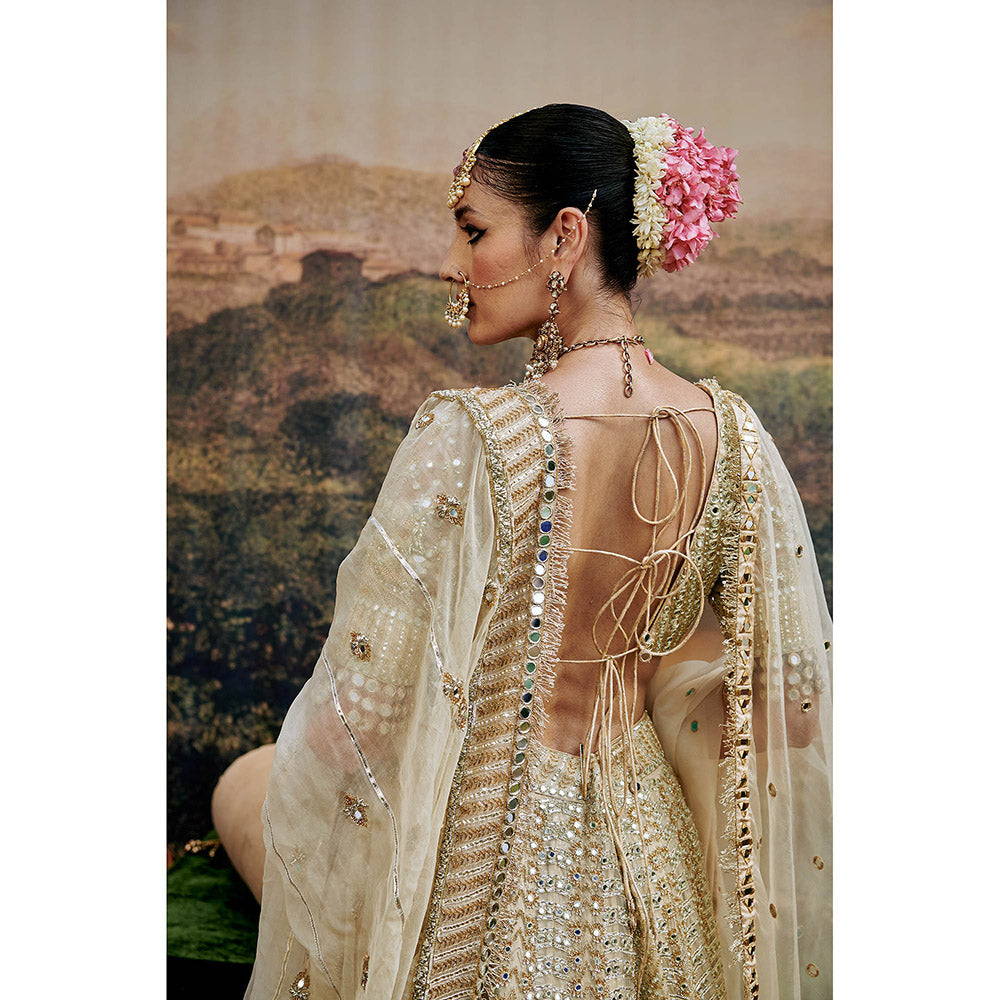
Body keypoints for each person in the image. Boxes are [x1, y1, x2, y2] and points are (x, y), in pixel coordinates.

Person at [216, 104, 832, 1000]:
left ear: (564, 236)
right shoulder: (734, 438)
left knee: (246, 784)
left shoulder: (475, 437)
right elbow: (794, 716)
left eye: (473, 231)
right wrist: (660, 676)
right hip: (652, 871)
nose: (451, 263)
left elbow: (356, 729)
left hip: (487, 867)